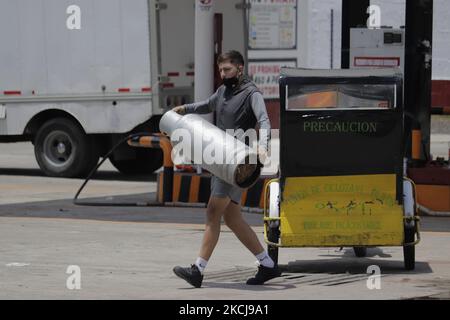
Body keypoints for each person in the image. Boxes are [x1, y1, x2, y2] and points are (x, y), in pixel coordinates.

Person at [171, 50, 281, 288]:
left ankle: (197, 270)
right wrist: (185, 109)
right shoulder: (222, 92)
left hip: (237, 163)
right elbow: (207, 105)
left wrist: (263, 148)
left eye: (227, 69)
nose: (223, 74)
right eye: (220, 70)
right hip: (221, 160)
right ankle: (268, 265)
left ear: (240, 68)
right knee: (232, 218)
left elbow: (263, 120)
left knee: (212, 212)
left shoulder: (252, 93)